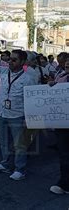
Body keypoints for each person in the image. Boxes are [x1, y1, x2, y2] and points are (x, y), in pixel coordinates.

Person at [0, 43, 37, 181]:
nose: (10, 62)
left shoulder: (28, 78)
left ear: (22, 62)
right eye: (9, 59)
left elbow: (33, 99)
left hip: (17, 115)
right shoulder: (4, 71)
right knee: (4, 142)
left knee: (20, 144)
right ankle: (5, 164)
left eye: (14, 60)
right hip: (0, 112)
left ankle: (20, 169)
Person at [48, 58, 69, 194]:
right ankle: (65, 183)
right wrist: (52, 86)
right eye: (67, 61)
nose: (67, 64)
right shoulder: (61, 76)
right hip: (63, 124)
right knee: (64, 155)